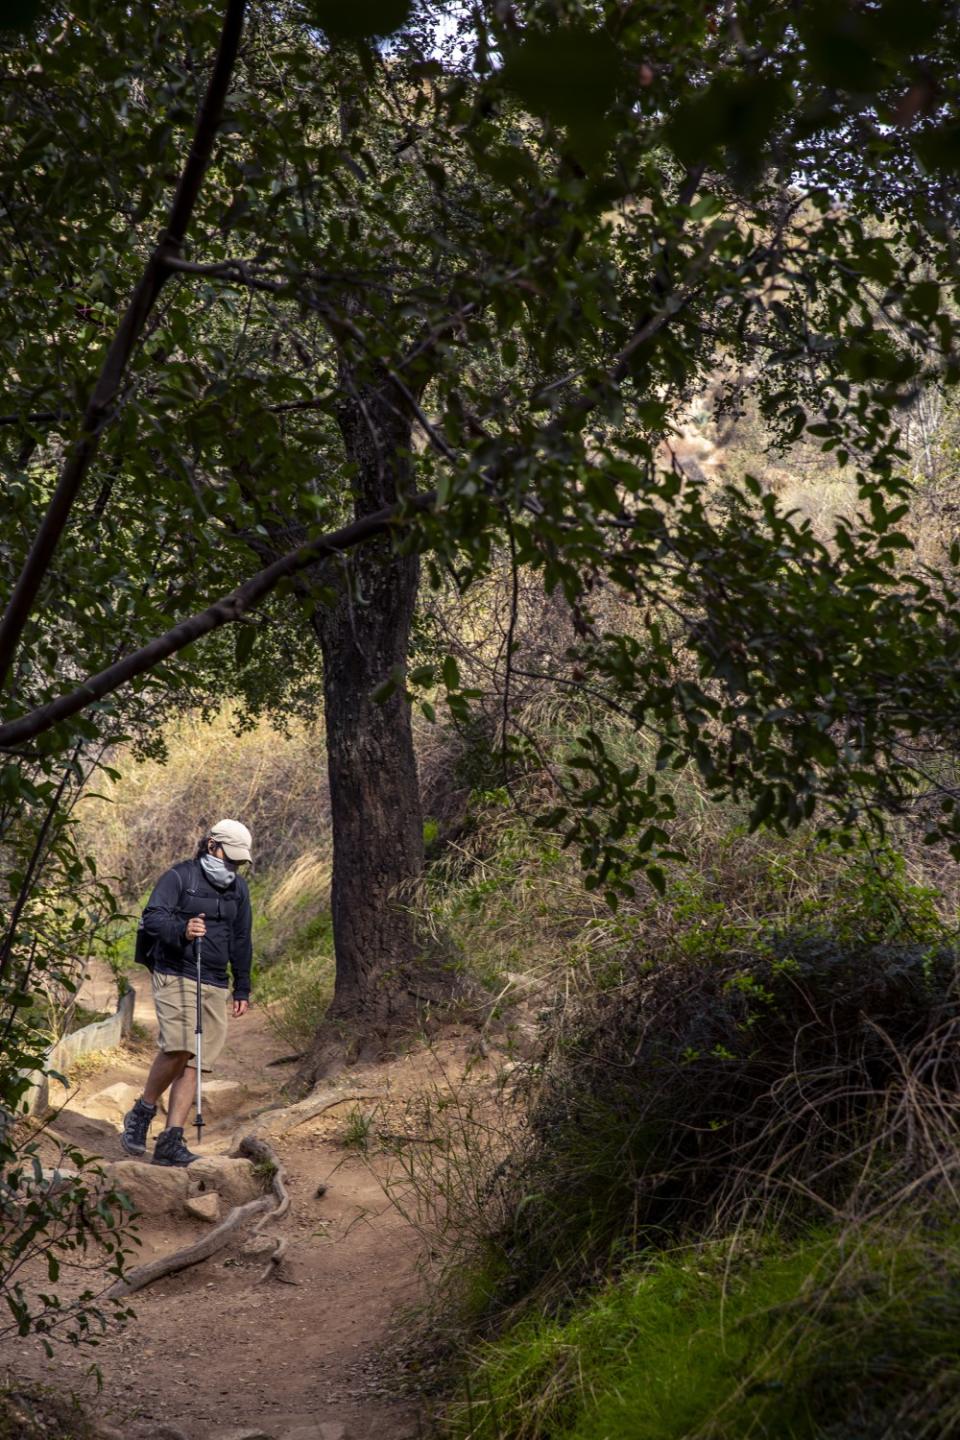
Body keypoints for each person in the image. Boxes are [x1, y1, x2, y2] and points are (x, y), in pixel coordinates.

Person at [120, 819, 254, 1167]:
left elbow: (241, 939)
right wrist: (183, 929)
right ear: (212, 846)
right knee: (179, 1047)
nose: (234, 867)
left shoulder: (238, 890)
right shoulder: (180, 877)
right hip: (176, 971)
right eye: (231, 858)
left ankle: (170, 1140)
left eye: (239, 862)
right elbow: (152, 918)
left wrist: (242, 985)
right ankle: (143, 1110)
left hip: (214, 980)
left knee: (196, 1061)